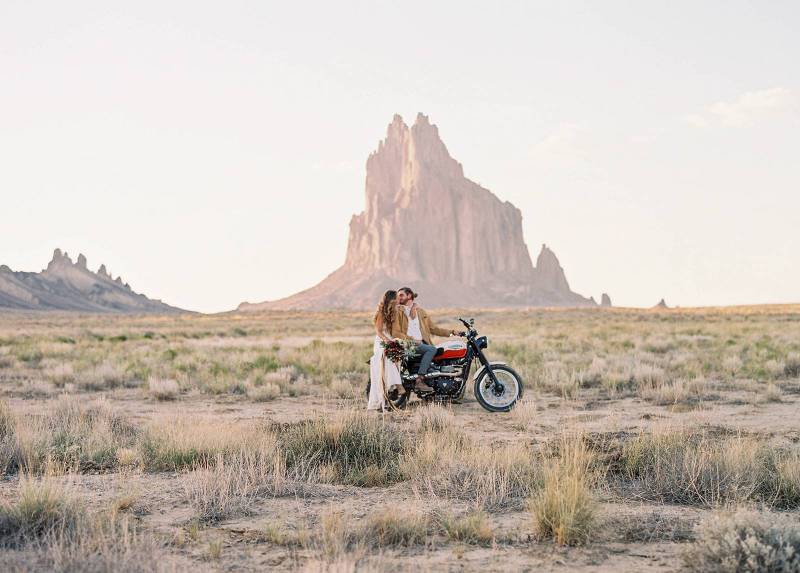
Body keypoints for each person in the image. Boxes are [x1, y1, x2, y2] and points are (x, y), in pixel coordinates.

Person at [395, 287, 460, 391]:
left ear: (409, 296)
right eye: (398, 295)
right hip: (409, 345)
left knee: (440, 353)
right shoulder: (398, 311)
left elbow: (433, 329)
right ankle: (419, 380)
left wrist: (451, 332)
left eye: (401, 295)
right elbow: (396, 330)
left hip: (423, 344)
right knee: (431, 350)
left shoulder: (420, 312)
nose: (399, 297)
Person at [367, 289, 405, 411]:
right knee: (386, 357)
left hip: (391, 340)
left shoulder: (394, 311)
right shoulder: (381, 313)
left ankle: (391, 389)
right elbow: (378, 331)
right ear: (391, 300)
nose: (398, 300)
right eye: (396, 299)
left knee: (398, 358)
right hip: (381, 342)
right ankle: (399, 386)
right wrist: (386, 340)